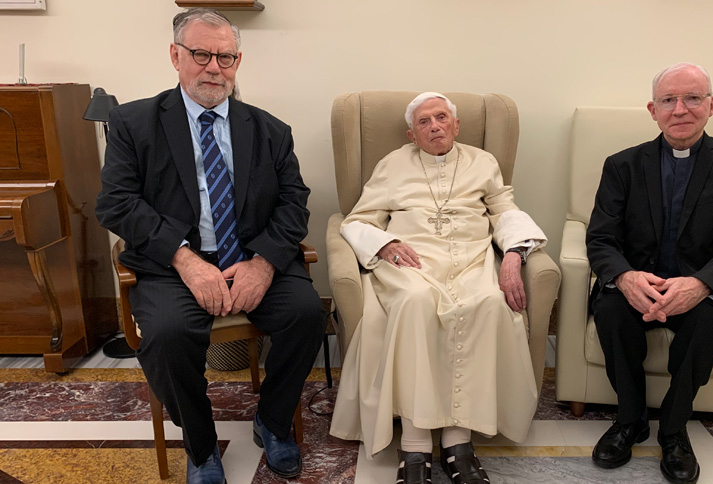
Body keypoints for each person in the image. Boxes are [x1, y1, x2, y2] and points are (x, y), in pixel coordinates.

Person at [95, 8, 324, 484]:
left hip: (251, 256)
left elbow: (294, 204)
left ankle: (273, 420)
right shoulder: (133, 122)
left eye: (225, 57)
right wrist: (184, 259)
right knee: (169, 334)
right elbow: (116, 205)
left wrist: (263, 262)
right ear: (176, 56)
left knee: (306, 313)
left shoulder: (269, 130)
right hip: (170, 262)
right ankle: (200, 446)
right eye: (201, 54)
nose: (214, 67)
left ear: (237, 61)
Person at [329, 92, 547, 484]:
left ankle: (457, 442)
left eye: (441, 118)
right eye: (424, 123)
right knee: (414, 303)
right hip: (412, 262)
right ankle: (414, 446)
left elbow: (505, 211)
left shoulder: (483, 162)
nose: (435, 127)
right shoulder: (392, 164)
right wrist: (386, 244)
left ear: (456, 125)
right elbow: (358, 218)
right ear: (412, 135)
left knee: (488, 303)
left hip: (471, 259)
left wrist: (514, 255)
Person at [585, 63, 713, 484]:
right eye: (669, 100)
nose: (680, 109)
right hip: (637, 281)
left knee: (704, 327)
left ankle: (673, 428)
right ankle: (629, 421)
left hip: (700, 286)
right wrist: (626, 278)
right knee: (611, 314)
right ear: (653, 109)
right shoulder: (622, 165)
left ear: (711, 105)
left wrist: (701, 284)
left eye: (692, 98)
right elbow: (600, 238)